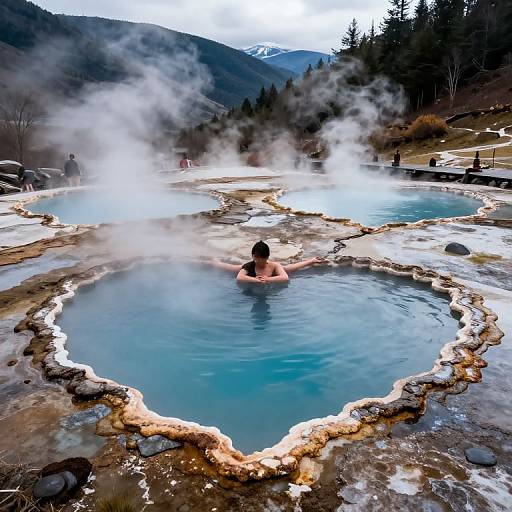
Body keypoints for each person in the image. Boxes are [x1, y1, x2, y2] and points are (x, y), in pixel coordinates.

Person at [207, 241, 327, 284]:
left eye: (262, 258)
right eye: (256, 257)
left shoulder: (273, 265)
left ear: (267, 257)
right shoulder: (249, 265)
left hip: (270, 275)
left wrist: (269, 279)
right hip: (249, 275)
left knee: (288, 268)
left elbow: (285, 277)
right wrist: (256, 280)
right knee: (226, 267)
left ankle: (311, 260)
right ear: (253, 256)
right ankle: (207, 262)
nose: (258, 260)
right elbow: (239, 278)